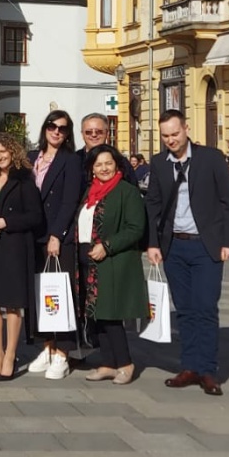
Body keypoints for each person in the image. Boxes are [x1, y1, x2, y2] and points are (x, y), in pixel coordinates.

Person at [144, 109, 229, 396]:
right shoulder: (160, 163)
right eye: (165, 136)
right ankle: (189, 366)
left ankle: (208, 370)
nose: (171, 140)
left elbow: (228, 201)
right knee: (184, 310)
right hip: (174, 246)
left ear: (186, 129)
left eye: (175, 134)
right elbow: (153, 205)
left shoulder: (210, 158)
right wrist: (152, 243)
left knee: (205, 308)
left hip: (205, 245)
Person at [0, 132, 44, 382]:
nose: (0, 156)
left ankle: (11, 354)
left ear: (13, 151)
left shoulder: (25, 179)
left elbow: (36, 217)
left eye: (3, 151)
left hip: (14, 247)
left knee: (12, 303)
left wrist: (6, 222)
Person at [77, 145, 147, 385]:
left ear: (117, 164)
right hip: (90, 262)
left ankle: (125, 363)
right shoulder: (90, 192)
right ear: (92, 169)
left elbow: (136, 228)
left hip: (113, 261)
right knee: (98, 315)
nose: (104, 168)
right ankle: (107, 363)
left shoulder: (126, 191)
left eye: (108, 163)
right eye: (98, 164)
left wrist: (107, 246)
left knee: (112, 315)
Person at [27, 110, 83, 380]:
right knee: (40, 294)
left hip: (57, 237)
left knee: (61, 295)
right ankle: (47, 346)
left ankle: (63, 352)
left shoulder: (70, 161)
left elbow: (69, 201)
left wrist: (57, 235)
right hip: (33, 235)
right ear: (45, 128)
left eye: (62, 128)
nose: (56, 131)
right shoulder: (31, 157)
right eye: (52, 126)